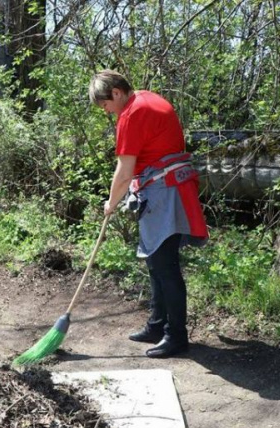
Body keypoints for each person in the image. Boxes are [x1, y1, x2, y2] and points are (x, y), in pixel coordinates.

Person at [89, 70, 208, 358]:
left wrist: (111, 201)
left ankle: (176, 336)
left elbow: (125, 170)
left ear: (116, 93)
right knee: (156, 263)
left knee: (165, 266)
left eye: (105, 105)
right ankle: (157, 325)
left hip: (165, 192)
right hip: (167, 187)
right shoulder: (146, 98)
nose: (106, 111)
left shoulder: (132, 113)